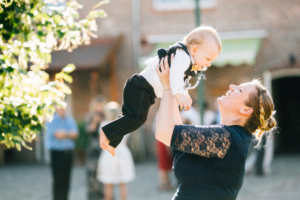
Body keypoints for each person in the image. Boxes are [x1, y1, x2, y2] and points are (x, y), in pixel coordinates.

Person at [155, 55, 277, 200]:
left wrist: (168, 87)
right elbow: (175, 129)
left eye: (239, 90)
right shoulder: (230, 136)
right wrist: (176, 86)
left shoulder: (226, 138)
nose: (232, 87)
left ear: (246, 110)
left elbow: (164, 132)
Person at [100, 25, 222, 156]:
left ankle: (112, 142)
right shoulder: (183, 57)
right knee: (136, 120)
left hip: (143, 89)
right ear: (194, 49)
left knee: (129, 119)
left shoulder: (186, 60)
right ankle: (106, 132)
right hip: (141, 87)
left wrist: (184, 94)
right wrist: (180, 94)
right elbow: (175, 74)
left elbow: (178, 80)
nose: (208, 64)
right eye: (208, 59)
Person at [97, 101, 135, 200]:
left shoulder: (103, 125)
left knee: (108, 184)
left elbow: (101, 142)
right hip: (122, 154)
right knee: (123, 184)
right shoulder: (123, 125)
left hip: (108, 155)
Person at [45, 106, 79, 200]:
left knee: (66, 179)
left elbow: (75, 134)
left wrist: (65, 134)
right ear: (55, 108)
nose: (62, 109)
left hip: (68, 153)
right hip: (57, 154)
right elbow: (57, 135)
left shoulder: (70, 120)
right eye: (60, 107)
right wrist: (69, 134)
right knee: (57, 179)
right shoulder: (52, 119)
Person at [85, 95, 106, 200]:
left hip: (104, 151)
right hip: (93, 152)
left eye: (100, 106)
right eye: (97, 106)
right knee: (92, 177)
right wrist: (95, 121)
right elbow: (88, 130)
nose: (99, 108)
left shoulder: (106, 117)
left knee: (104, 176)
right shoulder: (89, 116)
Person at [152, 113, 174, 191]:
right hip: (163, 139)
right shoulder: (162, 113)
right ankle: (163, 184)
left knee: (166, 164)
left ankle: (167, 183)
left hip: (163, 139)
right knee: (163, 165)